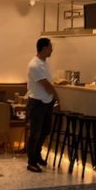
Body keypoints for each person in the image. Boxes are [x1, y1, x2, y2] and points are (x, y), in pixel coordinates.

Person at [26, 37, 58, 173]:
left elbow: (49, 81)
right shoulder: (35, 65)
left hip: (46, 102)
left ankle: (37, 155)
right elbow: (46, 85)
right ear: (44, 48)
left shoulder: (45, 62)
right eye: (50, 47)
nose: (52, 49)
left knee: (45, 130)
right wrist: (58, 97)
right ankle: (31, 162)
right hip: (37, 102)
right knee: (35, 133)